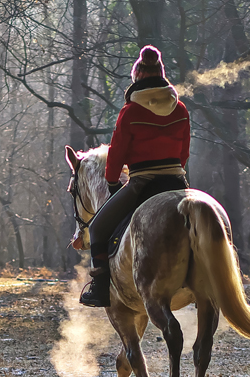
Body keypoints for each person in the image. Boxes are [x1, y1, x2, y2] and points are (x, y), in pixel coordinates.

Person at [80, 45, 190, 307]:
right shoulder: (181, 110)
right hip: (176, 181)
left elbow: (117, 154)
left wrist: (111, 181)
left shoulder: (129, 112)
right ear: (162, 75)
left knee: (97, 228)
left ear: (137, 76)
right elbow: (184, 153)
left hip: (143, 183)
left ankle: (100, 288)